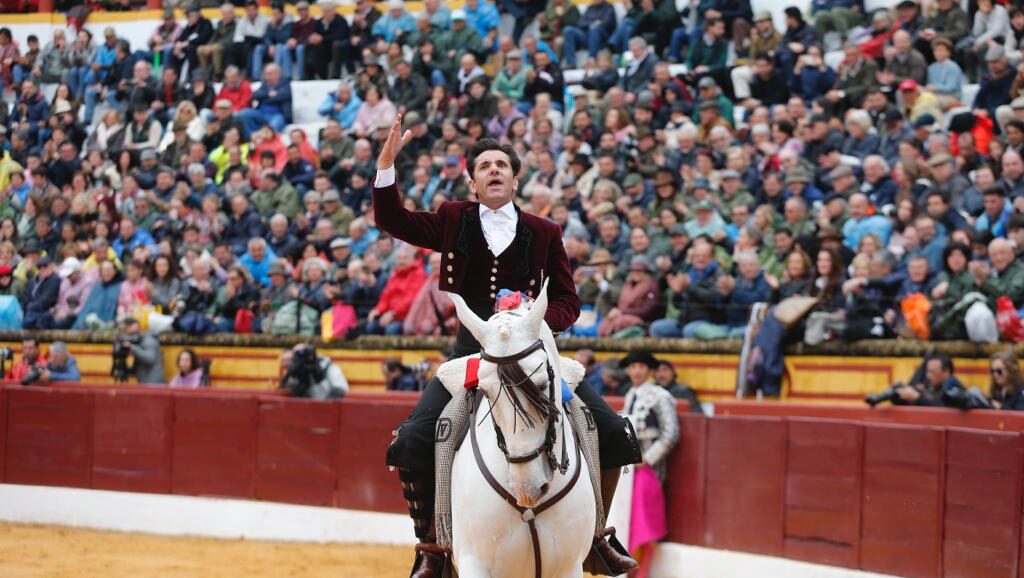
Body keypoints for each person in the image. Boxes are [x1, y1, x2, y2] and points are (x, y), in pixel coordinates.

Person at [373, 114, 641, 577]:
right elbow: (392, 219)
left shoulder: (545, 231)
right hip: (472, 359)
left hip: (534, 358)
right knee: (414, 440)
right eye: (485, 166)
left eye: (502, 165)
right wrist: (386, 167)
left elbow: (568, 301)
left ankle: (597, 536)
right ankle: (432, 551)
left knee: (614, 433)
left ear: (516, 179)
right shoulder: (453, 218)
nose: (494, 170)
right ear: (472, 181)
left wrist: (534, 327)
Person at [620, 351, 679, 578]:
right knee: (631, 519)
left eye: (641, 367)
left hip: (650, 470)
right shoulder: (629, 395)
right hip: (631, 472)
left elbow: (671, 433)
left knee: (643, 520)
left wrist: (648, 459)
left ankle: (640, 571)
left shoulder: (660, 396)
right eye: (633, 367)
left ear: (650, 371)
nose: (636, 371)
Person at [279, 343, 348, 399]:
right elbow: (286, 392)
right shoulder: (296, 370)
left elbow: (341, 391)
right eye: (297, 355)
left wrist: (318, 377)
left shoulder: (328, 368)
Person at [118, 315, 165, 385]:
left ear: (133, 326)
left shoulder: (149, 340)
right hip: (144, 382)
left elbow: (150, 359)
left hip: (154, 384)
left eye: (125, 329)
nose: (125, 334)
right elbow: (139, 365)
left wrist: (132, 348)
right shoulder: (138, 341)